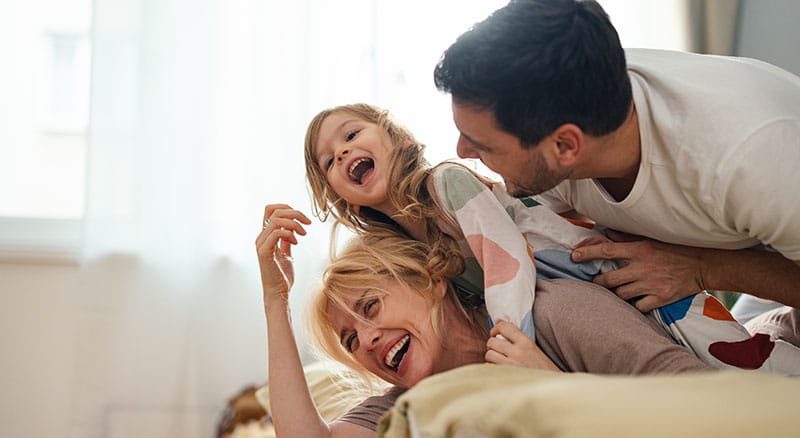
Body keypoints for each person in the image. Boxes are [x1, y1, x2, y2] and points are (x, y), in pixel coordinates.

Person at [304, 103, 800, 374]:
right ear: (342, 198)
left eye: (351, 135)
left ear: (400, 139)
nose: (343, 152)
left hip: (598, 261)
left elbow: (506, 262)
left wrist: (508, 345)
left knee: (724, 352)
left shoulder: (446, 184)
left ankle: (781, 381)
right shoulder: (406, 245)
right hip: (574, 284)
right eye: (329, 160)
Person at [434, 0, 800, 318]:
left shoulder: (751, 158)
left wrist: (704, 267)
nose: (462, 152)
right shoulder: (567, 100)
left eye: (483, 145)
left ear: (565, 147)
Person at [256, 205, 714, 436]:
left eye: (371, 307)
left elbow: (704, 399)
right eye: (350, 340)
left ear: (432, 278)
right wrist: (275, 300)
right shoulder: (401, 406)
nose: (369, 339)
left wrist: (555, 387)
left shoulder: (553, 312)